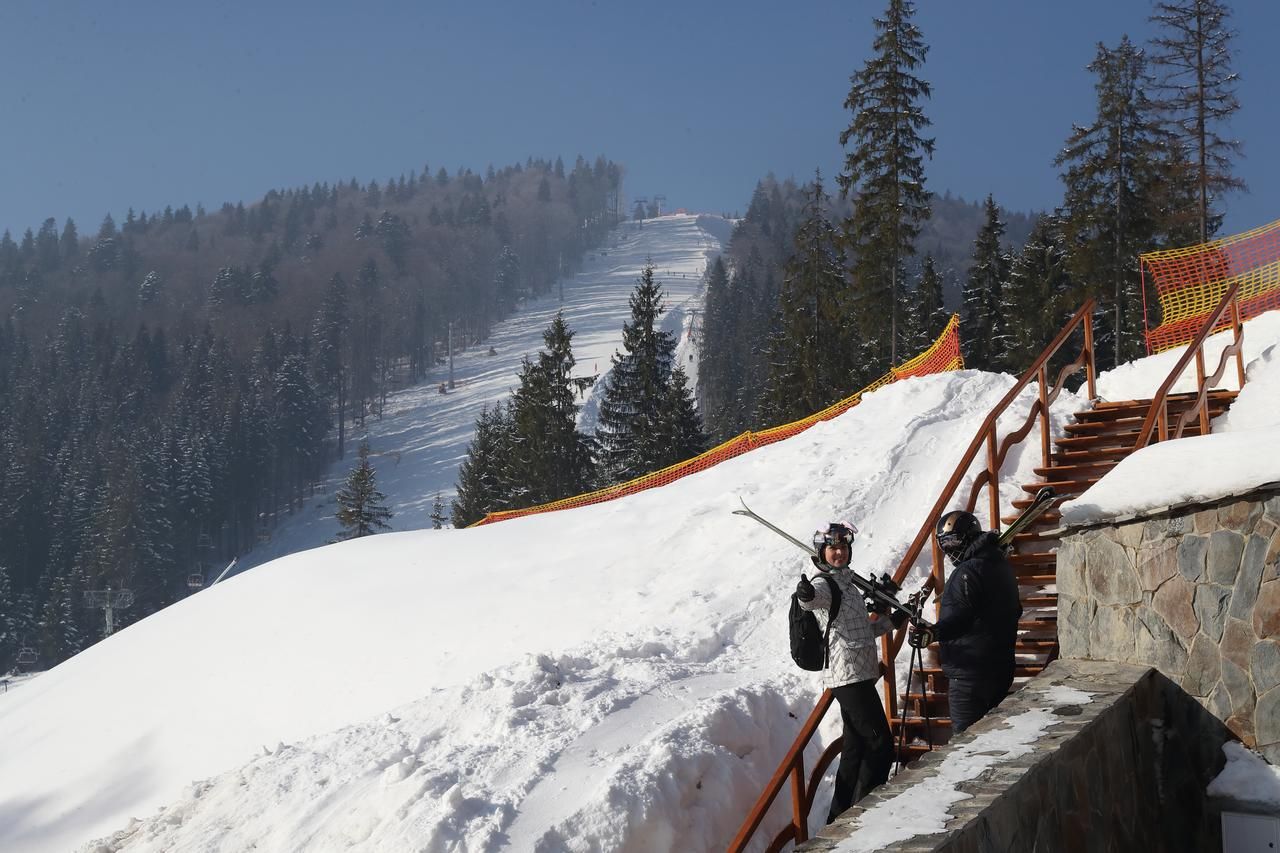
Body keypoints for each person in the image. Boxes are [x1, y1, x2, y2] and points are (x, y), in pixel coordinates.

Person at [795, 521, 905, 823]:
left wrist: (890, 622)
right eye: (832, 548)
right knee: (880, 743)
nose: (839, 552)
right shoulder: (825, 585)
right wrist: (804, 594)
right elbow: (811, 599)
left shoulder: (848, 585)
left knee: (856, 748)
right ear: (822, 552)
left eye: (843, 547)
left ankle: (839, 817)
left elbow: (861, 631)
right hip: (848, 677)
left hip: (859, 672)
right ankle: (866, 813)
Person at [909, 510, 1022, 734]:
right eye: (944, 544)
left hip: (970, 674)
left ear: (970, 535)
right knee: (992, 737)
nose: (950, 550)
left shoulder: (967, 571)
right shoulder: (998, 563)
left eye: (953, 540)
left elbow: (961, 618)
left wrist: (932, 633)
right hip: (999, 668)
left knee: (966, 745)